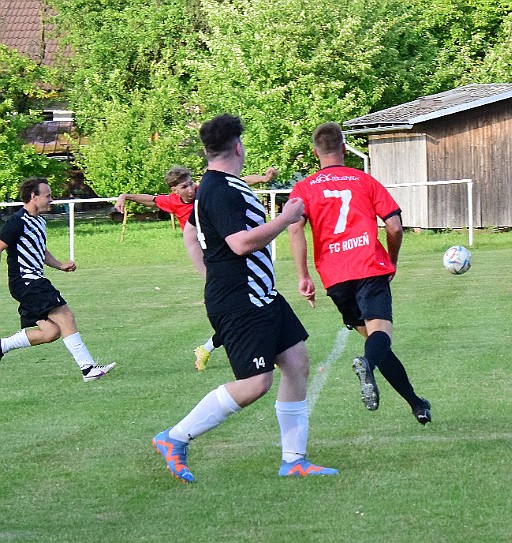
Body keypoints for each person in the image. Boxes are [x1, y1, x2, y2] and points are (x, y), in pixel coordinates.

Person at [153, 114, 336, 482]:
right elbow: (239, 244)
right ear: (238, 146)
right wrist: (286, 218)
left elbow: (194, 234)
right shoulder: (217, 189)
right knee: (256, 383)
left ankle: (294, 460)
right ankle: (174, 438)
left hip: (262, 294)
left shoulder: (223, 186)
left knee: (297, 362)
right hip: (241, 300)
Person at [287, 122, 431, 425]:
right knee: (379, 341)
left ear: (316, 152)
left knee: (376, 343)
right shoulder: (364, 180)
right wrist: (392, 259)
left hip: (335, 277)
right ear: (343, 148)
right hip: (368, 267)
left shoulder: (303, 188)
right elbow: (394, 226)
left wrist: (303, 276)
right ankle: (367, 364)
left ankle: (416, 403)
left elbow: (294, 227)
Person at [115, 165, 278, 371]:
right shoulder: (172, 202)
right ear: (174, 190)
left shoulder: (205, 191)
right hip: (209, 259)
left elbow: (241, 181)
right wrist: (125, 195)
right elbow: (150, 199)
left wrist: (263, 178)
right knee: (240, 306)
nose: (191, 189)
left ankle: (214, 348)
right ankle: (261, 351)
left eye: (191, 183)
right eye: (184, 187)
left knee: (238, 307)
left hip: (225, 253)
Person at [0, 178, 116, 381]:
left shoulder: (39, 221)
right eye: (48, 196)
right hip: (27, 282)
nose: (51, 200)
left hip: (32, 281)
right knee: (66, 316)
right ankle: (88, 369)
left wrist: (60, 265)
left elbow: (40, 250)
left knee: (51, 332)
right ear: (33, 196)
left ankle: (2, 346)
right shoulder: (16, 223)